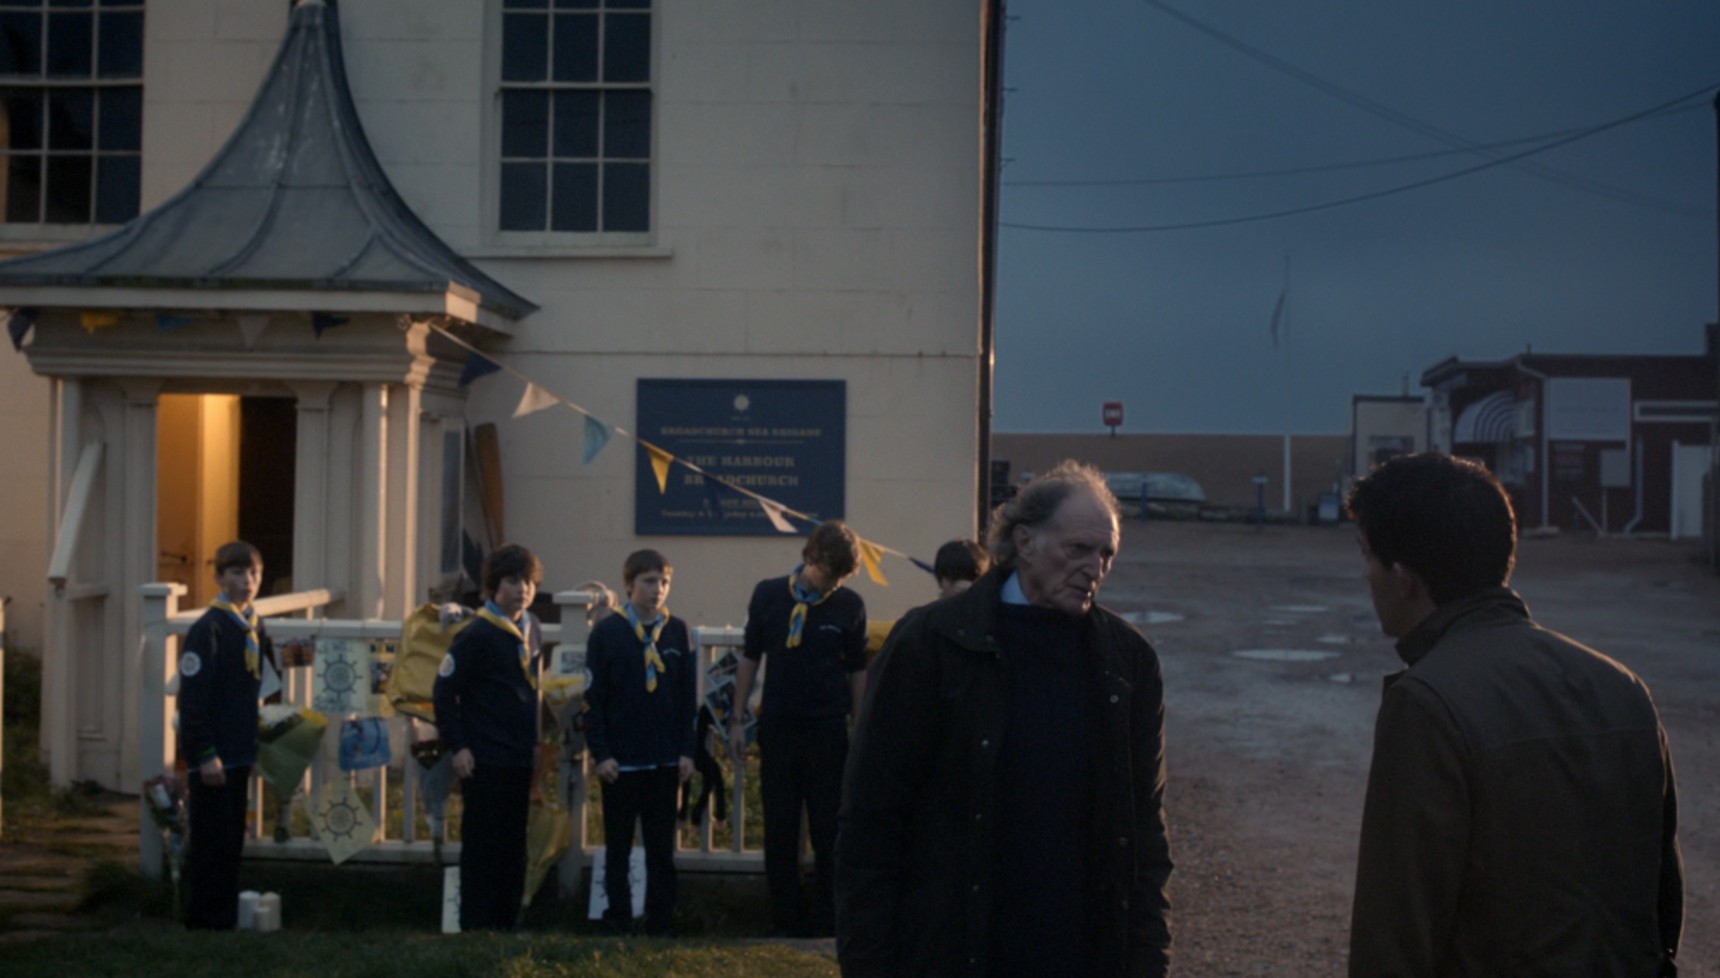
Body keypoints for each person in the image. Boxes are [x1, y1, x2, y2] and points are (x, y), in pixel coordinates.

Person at [1345, 453, 1683, 976]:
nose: (1365, 575)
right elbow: (1661, 906)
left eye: (1367, 556)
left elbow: (1394, 940)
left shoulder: (1427, 704)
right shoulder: (1623, 687)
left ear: (1404, 576)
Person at [836, 460, 1174, 978]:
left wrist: (1149, 963)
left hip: (1079, 953)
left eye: (1107, 554)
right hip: (951, 950)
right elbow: (870, 823)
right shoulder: (930, 644)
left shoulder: (1127, 663)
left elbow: (1144, 839)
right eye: (1079, 549)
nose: (1095, 568)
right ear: (1025, 542)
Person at [728, 520, 869, 937]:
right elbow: (750, 658)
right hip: (779, 727)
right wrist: (738, 718)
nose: (832, 585)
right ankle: (785, 918)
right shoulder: (769, 594)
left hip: (827, 730)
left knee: (829, 829)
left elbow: (857, 671)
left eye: (841, 578)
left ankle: (827, 918)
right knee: (781, 826)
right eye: (828, 575)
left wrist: (859, 730)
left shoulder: (850, 605)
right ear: (809, 558)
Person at [432, 543, 544, 932]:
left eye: (529, 582)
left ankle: (506, 920)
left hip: (518, 756)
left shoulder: (532, 628)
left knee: (514, 845)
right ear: (495, 585)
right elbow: (445, 691)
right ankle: (476, 923)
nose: (522, 590)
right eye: (513, 581)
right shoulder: (478, 633)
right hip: (484, 755)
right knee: (482, 844)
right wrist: (459, 745)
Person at [585, 549, 696, 935]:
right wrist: (601, 753)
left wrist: (686, 750)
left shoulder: (678, 631)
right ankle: (619, 916)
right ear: (629, 584)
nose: (658, 590)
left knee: (661, 848)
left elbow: (686, 698)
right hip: (622, 762)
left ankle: (660, 919)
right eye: (649, 581)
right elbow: (593, 699)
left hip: (664, 760)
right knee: (619, 846)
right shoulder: (608, 633)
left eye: (664, 582)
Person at [178, 540, 278, 930]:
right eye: (237, 573)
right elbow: (194, 700)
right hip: (215, 755)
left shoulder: (252, 624)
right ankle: (204, 919)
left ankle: (225, 916)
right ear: (219, 578)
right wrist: (204, 753)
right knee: (209, 842)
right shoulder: (209, 629)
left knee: (231, 840)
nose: (247, 581)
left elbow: (261, 683)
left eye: (253, 573)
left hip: (240, 750)